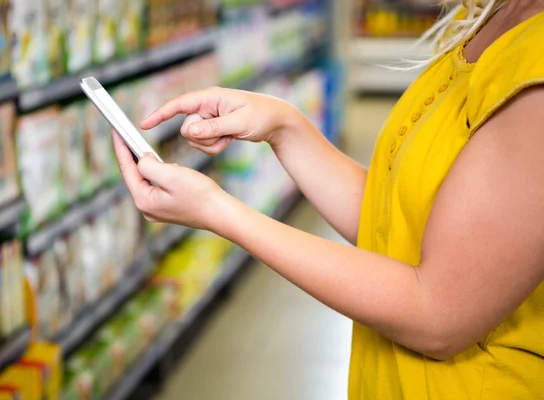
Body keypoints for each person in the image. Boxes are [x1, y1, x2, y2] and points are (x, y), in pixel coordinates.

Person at [112, 0, 544, 398]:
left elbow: (438, 314)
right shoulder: (493, 12)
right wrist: (285, 125)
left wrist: (217, 210)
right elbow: (395, 223)